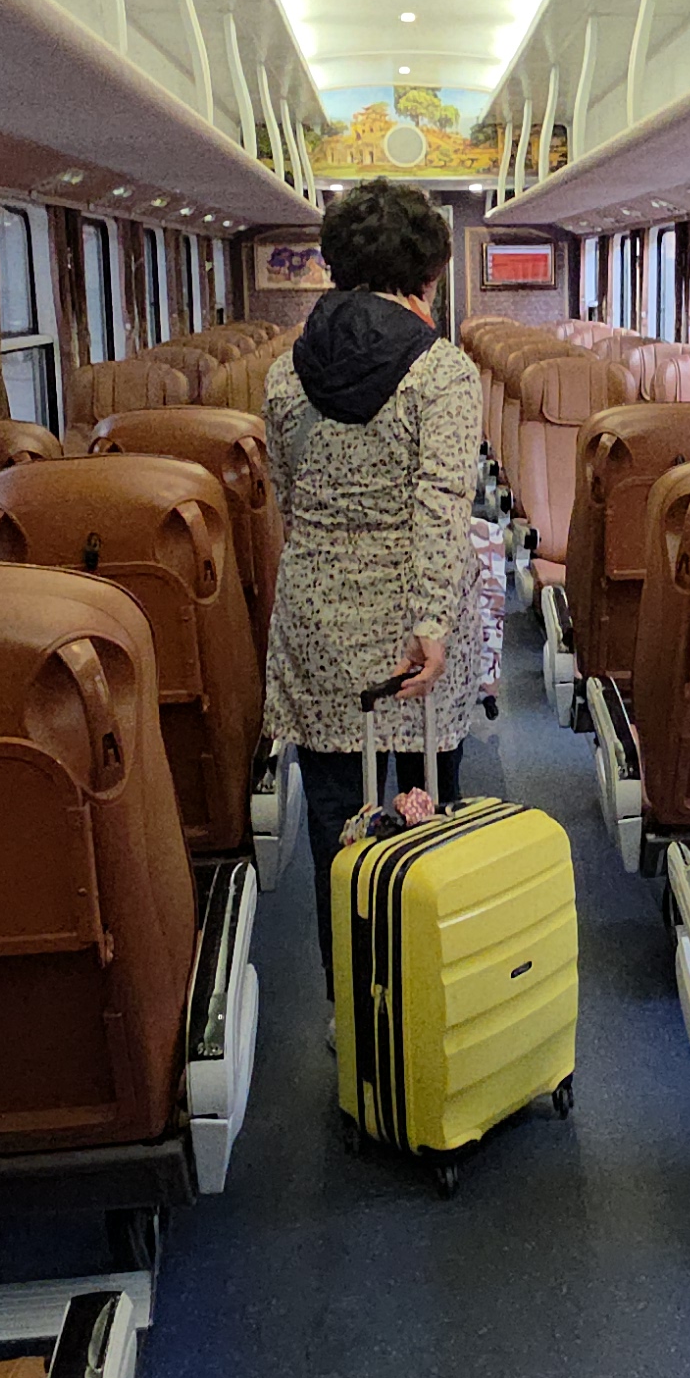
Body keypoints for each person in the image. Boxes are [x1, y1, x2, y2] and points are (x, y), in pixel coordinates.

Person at [264, 180, 481, 902]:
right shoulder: (443, 373)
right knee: (429, 835)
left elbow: (288, 498)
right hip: (417, 641)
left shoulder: (284, 374)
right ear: (428, 274)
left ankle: (348, 973)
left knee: (338, 838)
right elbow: (443, 505)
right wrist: (430, 624)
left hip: (318, 627)